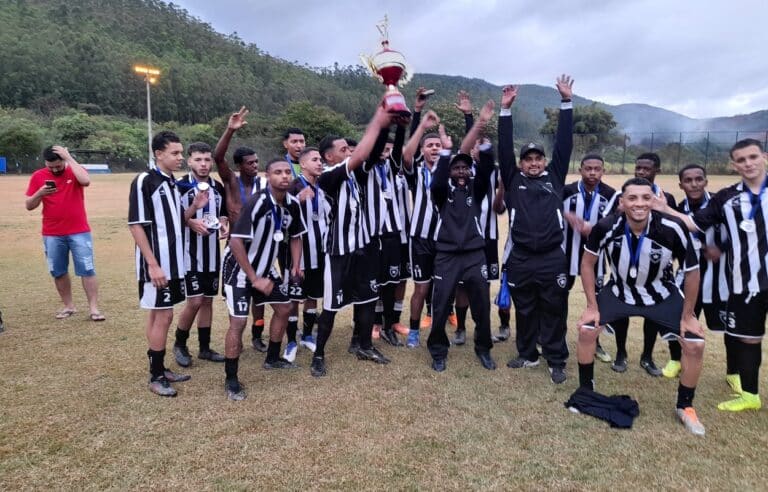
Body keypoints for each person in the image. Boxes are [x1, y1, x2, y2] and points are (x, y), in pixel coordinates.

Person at [577, 177, 706, 436]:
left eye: (646, 198)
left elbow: (692, 272)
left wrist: (689, 315)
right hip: (619, 291)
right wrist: (592, 306)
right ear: (622, 202)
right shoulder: (605, 227)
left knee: (694, 343)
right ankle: (586, 393)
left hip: (661, 293)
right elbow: (587, 264)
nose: (639, 204)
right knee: (586, 330)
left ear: (655, 200)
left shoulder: (673, 227)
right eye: (632, 198)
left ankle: (685, 407)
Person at [655, 139, 768, 412]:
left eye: (753, 157)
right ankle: (750, 396)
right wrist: (665, 209)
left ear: (764, 157)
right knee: (748, 338)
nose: (748, 163)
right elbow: (694, 223)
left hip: (738, 281)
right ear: (733, 165)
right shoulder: (726, 198)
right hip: (747, 284)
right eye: (741, 160)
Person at [310, 103, 395, 377]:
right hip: (339, 251)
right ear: (329, 156)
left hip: (364, 247)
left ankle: (363, 345)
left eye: (349, 148)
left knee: (368, 298)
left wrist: (385, 127)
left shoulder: (356, 175)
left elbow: (369, 154)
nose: (349, 152)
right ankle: (319, 355)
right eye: (343, 149)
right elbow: (360, 156)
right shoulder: (328, 177)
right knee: (331, 306)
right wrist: (378, 119)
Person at [497, 77, 573, 384]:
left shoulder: (554, 177)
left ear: (544, 161)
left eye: (537, 158)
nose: (533, 163)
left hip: (552, 257)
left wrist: (566, 103)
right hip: (522, 258)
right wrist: (505, 111)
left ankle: (556, 359)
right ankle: (527, 354)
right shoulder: (513, 181)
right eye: (527, 159)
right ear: (520, 163)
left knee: (554, 309)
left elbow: (564, 143)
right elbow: (503, 150)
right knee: (525, 309)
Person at [221, 158, 306, 400]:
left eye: (288, 172)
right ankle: (231, 379)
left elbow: (296, 236)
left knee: (284, 308)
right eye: (278, 172)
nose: (284, 176)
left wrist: (296, 265)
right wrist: (253, 278)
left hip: (266, 269)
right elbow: (236, 241)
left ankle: (273, 358)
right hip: (239, 268)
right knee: (238, 322)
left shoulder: (292, 204)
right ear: (267, 176)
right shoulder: (258, 202)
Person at [427, 100, 497, 372]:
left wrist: (482, 133)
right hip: (446, 256)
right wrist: (446, 153)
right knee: (442, 303)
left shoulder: (475, 191)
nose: (461, 172)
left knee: (481, 304)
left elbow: (487, 168)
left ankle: (483, 349)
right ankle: (438, 351)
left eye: (464, 168)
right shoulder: (441, 193)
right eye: (456, 168)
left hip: (473, 254)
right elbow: (437, 179)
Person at [128, 131, 191, 397]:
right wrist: (152, 265)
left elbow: (174, 221)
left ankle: (160, 367)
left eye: (181, 152)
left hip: (174, 263)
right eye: (175, 153)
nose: (181, 158)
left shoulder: (170, 182)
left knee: (159, 313)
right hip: (158, 265)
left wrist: (194, 210)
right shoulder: (145, 180)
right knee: (163, 315)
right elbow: (136, 225)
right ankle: (155, 375)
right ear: (158, 154)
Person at [604, 152, 676, 375]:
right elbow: (603, 226)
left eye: (647, 168)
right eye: (639, 168)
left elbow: (675, 232)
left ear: (657, 171)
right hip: (625, 266)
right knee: (622, 312)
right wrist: (617, 211)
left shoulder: (666, 198)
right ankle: (621, 353)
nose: (641, 172)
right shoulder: (620, 195)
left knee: (651, 312)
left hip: (655, 269)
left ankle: (647, 356)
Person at [660, 164, 733, 382]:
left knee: (732, 327)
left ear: (706, 181)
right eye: (688, 180)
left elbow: (740, 232)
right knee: (678, 319)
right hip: (688, 276)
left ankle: (734, 372)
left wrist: (721, 247)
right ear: (681, 184)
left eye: (699, 179)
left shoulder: (722, 205)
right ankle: (675, 360)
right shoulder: (680, 210)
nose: (694, 184)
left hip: (720, 277)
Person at [212, 107, 269, 352]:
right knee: (237, 299)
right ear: (239, 165)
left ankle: (257, 333)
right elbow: (218, 157)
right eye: (250, 163)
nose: (255, 166)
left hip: (259, 251)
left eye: (257, 162)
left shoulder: (263, 184)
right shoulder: (231, 183)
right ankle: (237, 336)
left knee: (260, 298)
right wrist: (230, 130)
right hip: (236, 252)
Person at [25, 145, 104, 321]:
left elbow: (85, 181)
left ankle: (94, 308)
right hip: (52, 233)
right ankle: (69, 306)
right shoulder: (38, 176)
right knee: (58, 271)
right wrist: (39, 193)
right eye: (50, 166)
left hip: (79, 231)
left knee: (87, 269)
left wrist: (69, 158)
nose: (54, 169)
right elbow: (29, 205)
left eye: (58, 166)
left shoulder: (74, 170)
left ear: (64, 161)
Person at [172, 142, 229, 367]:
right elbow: (173, 219)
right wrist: (190, 218)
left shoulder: (217, 187)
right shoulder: (179, 186)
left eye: (207, 160)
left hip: (212, 254)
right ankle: (180, 344)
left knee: (207, 301)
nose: (203, 164)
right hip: (189, 255)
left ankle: (204, 348)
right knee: (194, 301)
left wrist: (224, 224)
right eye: (198, 160)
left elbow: (223, 214)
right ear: (189, 161)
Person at [562, 154, 617, 363]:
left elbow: (614, 223)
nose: (592, 173)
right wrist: (567, 216)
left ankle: (596, 342)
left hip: (596, 257)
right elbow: (551, 208)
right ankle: (559, 336)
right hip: (566, 254)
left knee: (595, 300)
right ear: (580, 169)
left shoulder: (611, 195)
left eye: (597, 169)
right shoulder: (565, 191)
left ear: (603, 171)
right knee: (559, 297)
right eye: (588, 168)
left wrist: (592, 229)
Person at [281, 147, 330, 362]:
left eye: (321, 159)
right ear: (303, 164)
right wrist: (296, 201)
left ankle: (308, 335)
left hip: (319, 252)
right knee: (293, 298)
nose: (320, 163)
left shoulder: (323, 186)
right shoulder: (292, 186)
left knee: (312, 297)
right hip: (296, 255)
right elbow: (279, 216)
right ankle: (291, 340)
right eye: (315, 160)